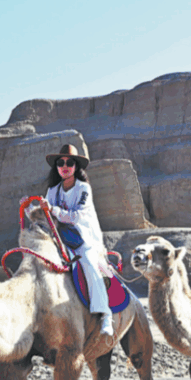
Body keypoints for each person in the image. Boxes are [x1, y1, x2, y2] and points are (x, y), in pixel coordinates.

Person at [44, 143, 114, 338]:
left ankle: (105, 314)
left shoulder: (83, 189)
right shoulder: (53, 191)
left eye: (69, 162)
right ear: (56, 167)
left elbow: (75, 217)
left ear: (76, 166)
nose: (65, 166)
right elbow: (46, 215)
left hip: (83, 238)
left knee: (89, 264)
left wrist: (53, 210)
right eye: (61, 162)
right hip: (60, 238)